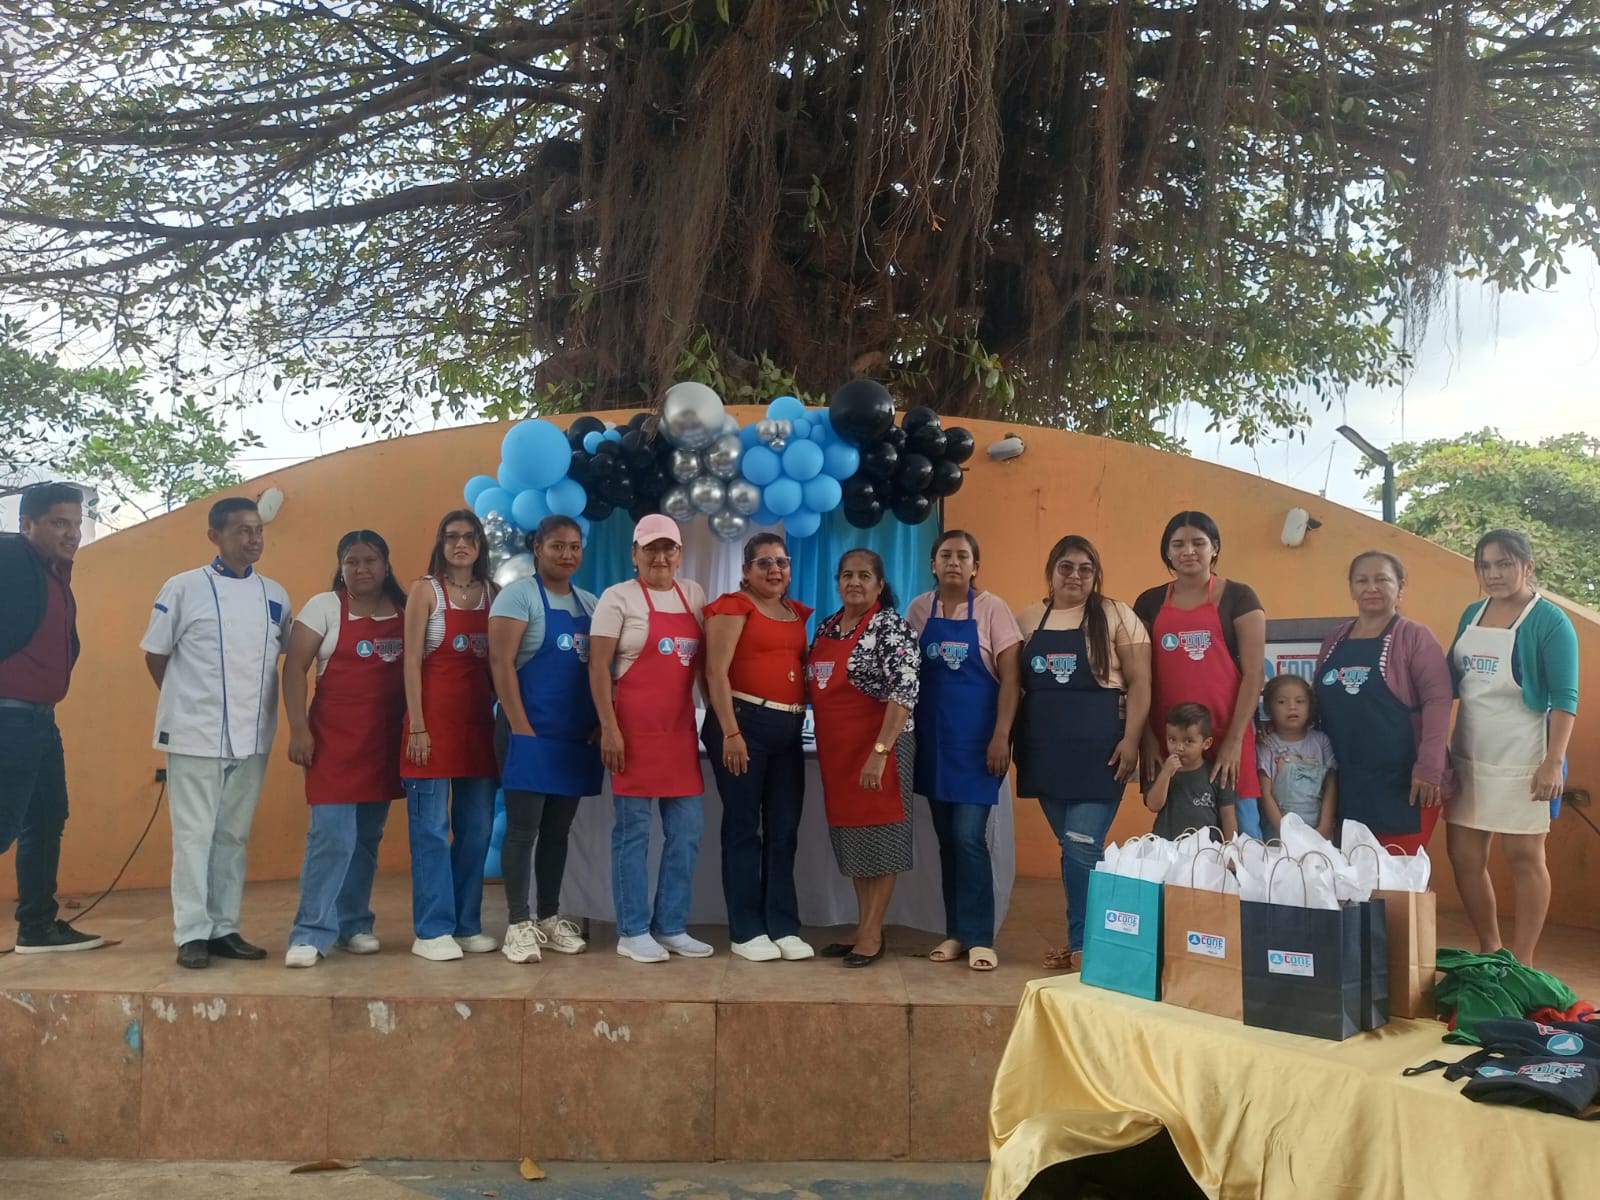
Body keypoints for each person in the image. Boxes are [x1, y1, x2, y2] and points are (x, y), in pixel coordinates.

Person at [141, 496, 292, 969]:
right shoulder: (183, 587)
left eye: (258, 530)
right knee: (193, 836)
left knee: (233, 836)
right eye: (242, 530)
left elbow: (282, 658)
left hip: (253, 735)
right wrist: (188, 704)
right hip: (195, 734)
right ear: (215, 536)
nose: (253, 539)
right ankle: (192, 932)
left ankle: (225, 927)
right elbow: (155, 654)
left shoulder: (275, 594)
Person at [1012, 535, 1151, 972]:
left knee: (1081, 845)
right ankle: (1100, 937)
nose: (1075, 575)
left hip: (1102, 750)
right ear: (1051, 571)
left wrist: (1131, 740)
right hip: (1044, 750)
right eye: (1066, 567)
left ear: (1096, 575)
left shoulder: (1117, 614)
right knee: (1074, 849)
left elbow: (1141, 683)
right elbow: (1012, 686)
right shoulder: (1027, 619)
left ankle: (1083, 945)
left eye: (1085, 568)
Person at [1446, 529, 1579, 966]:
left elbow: (1565, 698)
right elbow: (1448, 680)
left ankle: (1522, 961)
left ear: (1528, 566)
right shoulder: (1472, 613)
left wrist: (1553, 762)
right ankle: (1491, 948)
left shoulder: (1550, 621)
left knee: (1524, 855)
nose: (1494, 574)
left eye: (1504, 564)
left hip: (1526, 753)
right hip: (1470, 751)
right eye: (1485, 565)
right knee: (1464, 856)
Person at [280, 530, 408, 968]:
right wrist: (299, 729)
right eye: (351, 561)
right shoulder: (323, 607)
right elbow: (293, 669)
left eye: (370, 560)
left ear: (386, 565)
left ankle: (354, 924)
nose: (361, 568)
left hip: (383, 742)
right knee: (331, 837)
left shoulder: (406, 610)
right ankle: (309, 932)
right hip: (331, 742)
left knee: (366, 839)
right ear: (341, 566)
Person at [589, 514, 712, 964]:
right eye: (651, 549)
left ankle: (671, 925)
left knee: (687, 832)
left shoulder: (693, 595)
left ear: (679, 554)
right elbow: (597, 668)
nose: (660, 557)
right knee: (634, 834)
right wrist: (609, 728)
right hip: (632, 733)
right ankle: (633, 930)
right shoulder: (617, 597)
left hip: (679, 734)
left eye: (668, 548)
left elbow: (705, 668)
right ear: (635, 554)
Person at [487, 514, 602, 964]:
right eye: (557, 546)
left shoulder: (590, 604)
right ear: (537, 548)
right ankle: (519, 924)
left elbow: (599, 671)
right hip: (528, 731)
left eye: (574, 546)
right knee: (522, 830)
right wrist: (521, 728)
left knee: (557, 832)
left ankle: (550, 919)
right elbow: (501, 664)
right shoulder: (518, 597)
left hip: (572, 737)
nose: (567, 554)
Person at [906, 530, 1020, 973]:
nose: (953, 562)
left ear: (975, 566)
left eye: (962, 556)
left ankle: (980, 937)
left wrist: (1001, 736)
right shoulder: (919, 609)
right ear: (933, 564)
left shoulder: (993, 609)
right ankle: (954, 932)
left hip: (979, 746)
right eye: (945, 555)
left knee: (970, 838)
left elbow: (1011, 680)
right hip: (934, 745)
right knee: (947, 841)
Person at [702, 533, 815, 963]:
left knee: (784, 829)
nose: (774, 570)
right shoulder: (733, 607)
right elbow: (715, 673)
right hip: (742, 724)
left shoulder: (795, 613)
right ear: (746, 571)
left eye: (781, 562)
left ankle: (782, 925)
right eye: (764, 562)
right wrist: (731, 733)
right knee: (744, 828)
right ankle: (746, 930)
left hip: (788, 727)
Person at [0, 483, 102, 953]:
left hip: (41, 719)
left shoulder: (55, 573)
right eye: (60, 523)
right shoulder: (11, 559)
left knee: (45, 818)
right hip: (8, 717)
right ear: (27, 525)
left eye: (76, 523)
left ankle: (37, 926)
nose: (72, 533)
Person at [807, 548, 919, 968]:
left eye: (864, 576)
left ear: (879, 584)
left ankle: (873, 932)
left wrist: (879, 753)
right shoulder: (827, 627)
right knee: (855, 839)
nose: (854, 582)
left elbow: (903, 693)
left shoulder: (891, 626)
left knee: (882, 837)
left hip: (880, 747)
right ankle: (863, 925)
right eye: (847, 575)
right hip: (839, 752)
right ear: (837, 581)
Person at [400, 510, 499, 962]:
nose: (461, 544)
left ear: (480, 545)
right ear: (441, 543)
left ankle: (466, 924)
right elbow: (411, 662)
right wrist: (417, 726)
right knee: (432, 831)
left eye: (470, 537)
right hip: (430, 729)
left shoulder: (494, 594)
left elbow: (499, 666)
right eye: (452, 536)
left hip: (477, 730)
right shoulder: (425, 591)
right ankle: (431, 929)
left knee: (476, 830)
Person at [1134, 511, 1266, 837]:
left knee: (1241, 836)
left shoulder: (1240, 597)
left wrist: (1233, 741)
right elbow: (1138, 677)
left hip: (1228, 731)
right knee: (1177, 834)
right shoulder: (1149, 602)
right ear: (1167, 551)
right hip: (1172, 739)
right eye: (1178, 544)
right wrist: (1147, 739)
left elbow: (1254, 674)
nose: (1188, 551)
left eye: (1198, 543)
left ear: (1215, 547)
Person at [1314, 550, 1453, 853]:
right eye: (1362, 580)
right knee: (1350, 874)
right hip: (1347, 784)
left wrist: (1429, 768)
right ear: (1351, 589)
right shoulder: (1335, 639)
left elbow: (1438, 702)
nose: (1371, 588)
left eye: (1382, 580)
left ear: (1400, 586)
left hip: (1404, 784)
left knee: (1397, 875)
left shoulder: (1415, 636)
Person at [1256, 674, 1336, 840]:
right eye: (1282, 702)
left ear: (1310, 706)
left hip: (1318, 832)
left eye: (1300, 701)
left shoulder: (1321, 741)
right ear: (1268, 709)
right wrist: (1286, 832)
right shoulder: (1266, 745)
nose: (1292, 707)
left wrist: (1326, 825)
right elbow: (1265, 794)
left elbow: (1330, 786)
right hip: (1278, 834)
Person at [1145, 702, 1238, 839]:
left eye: (1188, 741)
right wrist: (1166, 774)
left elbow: (1228, 816)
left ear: (1206, 743)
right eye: (1172, 740)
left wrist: (1231, 847)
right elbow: (1153, 805)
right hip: (1167, 847)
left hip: (1205, 848)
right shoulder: (1161, 770)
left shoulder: (1216, 774)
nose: (1179, 747)